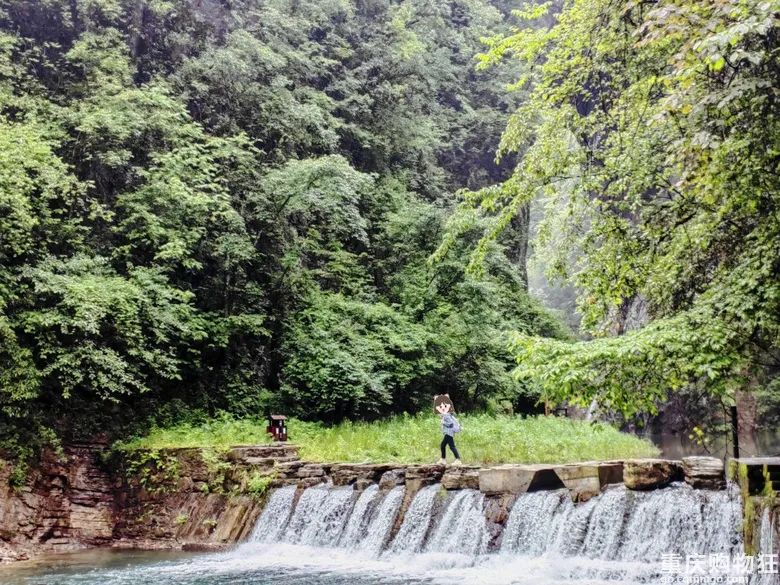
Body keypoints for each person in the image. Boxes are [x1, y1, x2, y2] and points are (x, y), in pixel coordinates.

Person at [434, 394, 462, 466]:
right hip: (448, 432)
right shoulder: (445, 412)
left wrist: (443, 423)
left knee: (451, 446)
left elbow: (450, 423)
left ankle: (458, 460)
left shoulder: (446, 413)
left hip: (449, 432)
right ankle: (443, 460)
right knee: (443, 445)